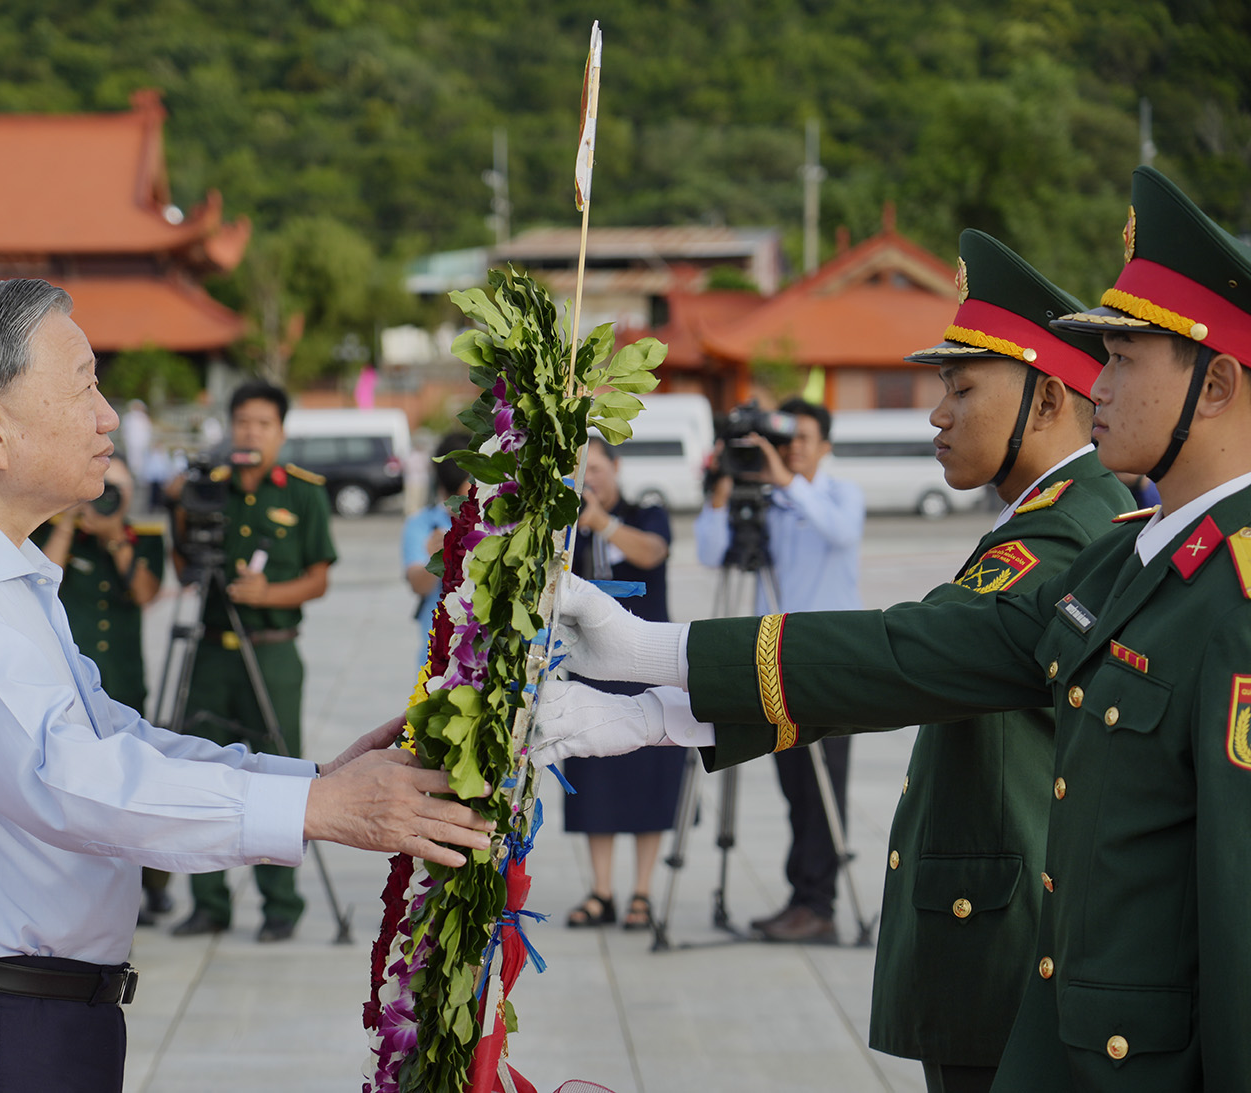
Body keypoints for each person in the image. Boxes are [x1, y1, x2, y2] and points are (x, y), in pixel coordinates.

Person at [532, 166, 1251, 1090]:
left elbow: (1235, 914)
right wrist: (652, 688)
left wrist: (647, 669)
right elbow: (934, 652)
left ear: (1218, 383)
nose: (1095, 383)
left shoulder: (1191, 576)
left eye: (1120, 359)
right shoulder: (1127, 553)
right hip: (1061, 1025)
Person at [0, 279, 494, 1093]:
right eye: (84, 385)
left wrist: (313, 781)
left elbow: (112, 738)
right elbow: (66, 778)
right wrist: (316, 809)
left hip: (9, 1018)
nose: (108, 416)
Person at [169, 380, 336, 943]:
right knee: (201, 774)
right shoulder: (207, 489)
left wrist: (270, 594)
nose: (251, 433)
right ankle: (208, 903)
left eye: (263, 424)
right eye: (243, 423)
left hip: (273, 651)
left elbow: (319, 578)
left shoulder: (303, 494)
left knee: (278, 776)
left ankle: (280, 904)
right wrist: (177, 508)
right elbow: (185, 568)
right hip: (211, 651)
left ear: (280, 432)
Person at [693, 397, 865, 942]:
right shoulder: (765, 500)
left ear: (826, 446)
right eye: (785, 441)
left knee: (823, 792)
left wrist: (786, 484)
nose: (791, 450)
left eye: (803, 440)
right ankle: (802, 899)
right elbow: (711, 552)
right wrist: (722, 491)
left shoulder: (841, 495)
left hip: (831, 663)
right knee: (795, 790)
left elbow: (840, 532)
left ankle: (820, 905)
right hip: (779, 662)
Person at [31, 454, 172, 926]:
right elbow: (41, 582)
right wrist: (70, 521)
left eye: (116, 491)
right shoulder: (54, 532)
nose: (105, 498)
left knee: (135, 784)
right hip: (67, 685)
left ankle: (147, 887)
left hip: (124, 680)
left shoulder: (143, 538)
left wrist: (115, 539)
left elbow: (146, 593)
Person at [562, 436, 678, 931]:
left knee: (651, 778)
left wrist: (603, 523)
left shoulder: (646, 512)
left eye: (596, 469)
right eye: (580, 471)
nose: (589, 479)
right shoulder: (567, 525)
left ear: (616, 466)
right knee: (596, 778)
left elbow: (652, 553)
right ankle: (602, 890)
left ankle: (642, 891)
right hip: (591, 668)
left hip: (651, 665)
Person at [402, 432, 471, 662]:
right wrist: (438, 557)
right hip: (438, 658)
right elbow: (418, 584)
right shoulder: (422, 524)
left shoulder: (493, 523)